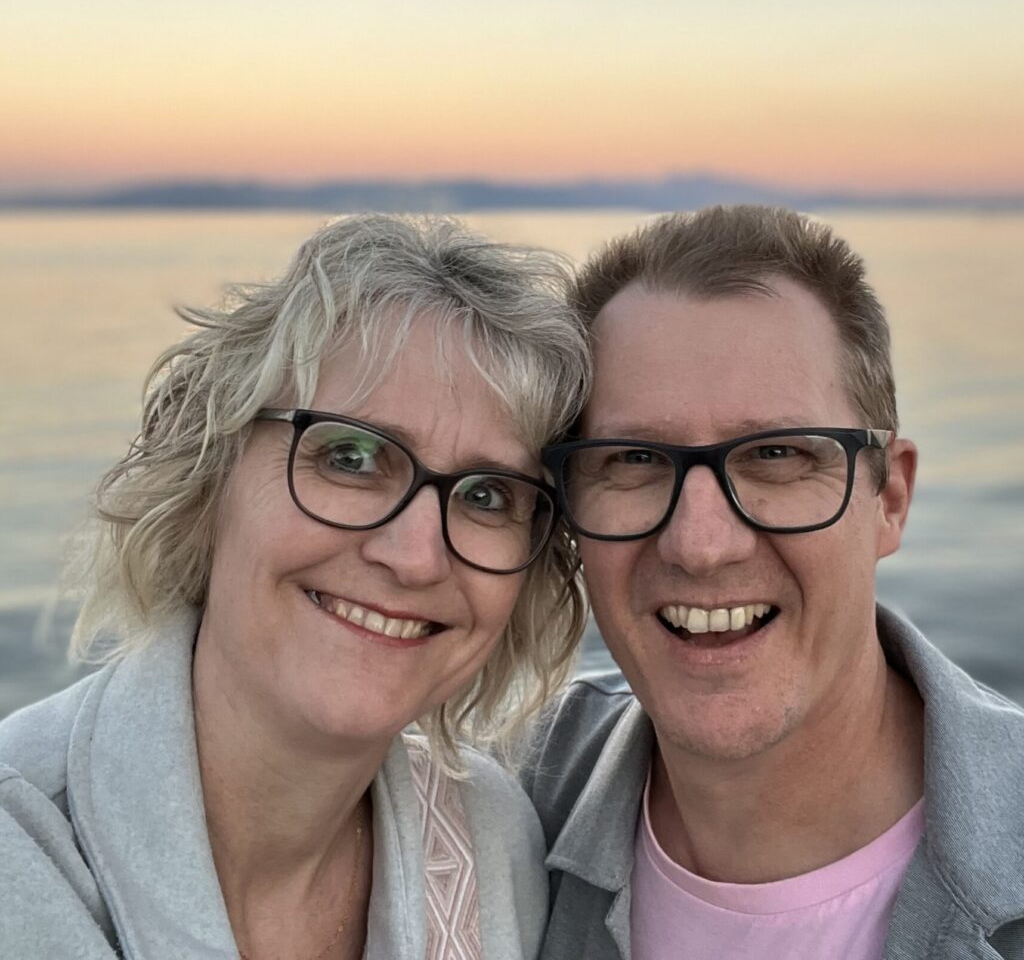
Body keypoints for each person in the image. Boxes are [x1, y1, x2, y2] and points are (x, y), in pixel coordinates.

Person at [0, 215, 590, 960]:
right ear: (210, 471)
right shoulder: (24, 847)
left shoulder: (490, 840)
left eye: (487, 496)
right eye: (350, 457)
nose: (416, 558)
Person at [524, 205, 1024, 959]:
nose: (701, 546)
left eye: (777, 455)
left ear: (889, 499)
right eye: (633, 460)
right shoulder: (512, 799)